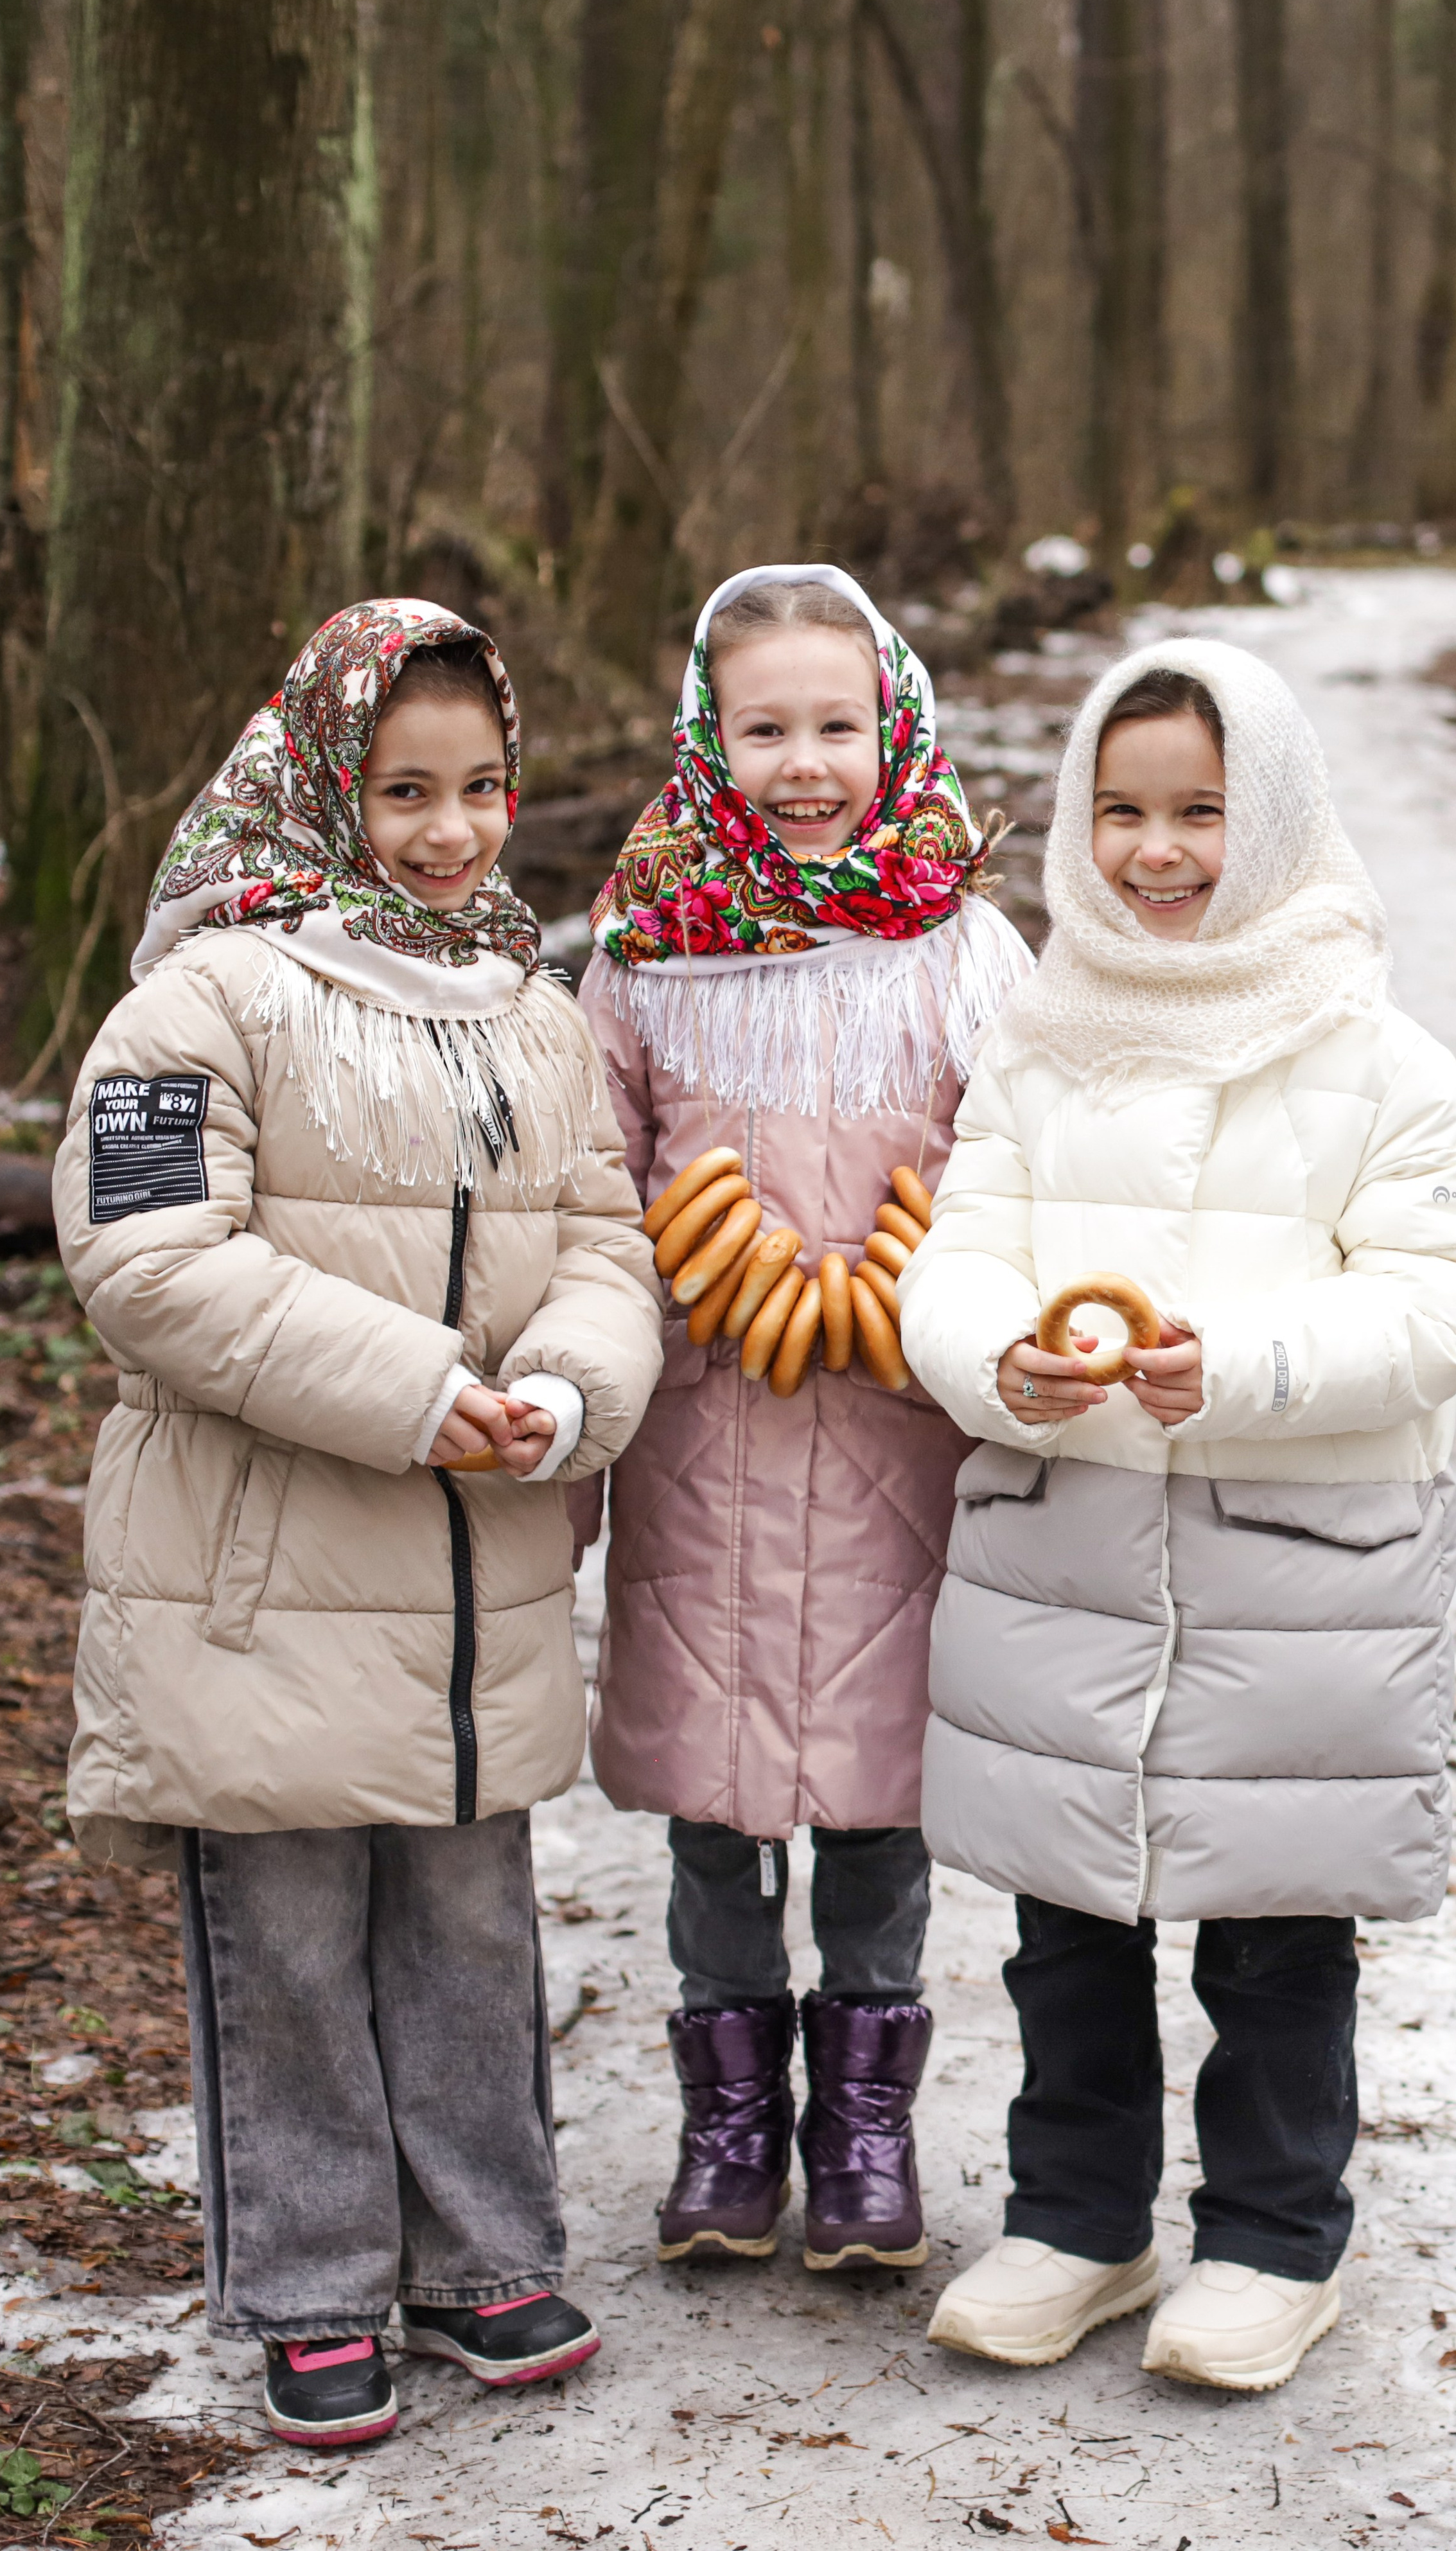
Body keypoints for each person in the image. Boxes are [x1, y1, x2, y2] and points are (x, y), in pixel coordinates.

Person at [52, 601, 663, 2448]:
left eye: (482, 787)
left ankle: (485, 2244)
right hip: (263, 1577)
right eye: (405, 788)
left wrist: (564, 1389)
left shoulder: (532, 1017)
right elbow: (148, 1258)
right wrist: (412, 1388)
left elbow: (610, 1247)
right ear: (324, 780)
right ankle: (315, 2275)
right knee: (292, 1933)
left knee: (472, 1920)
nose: (450, 828)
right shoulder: (205, 994)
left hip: (474, 1575)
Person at [899, 639, 1456, 2392]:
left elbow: (1440, 1301)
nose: (1158, 851)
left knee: (1277, 1927)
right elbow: (960, 1260)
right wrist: (996, 1362)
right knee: (1065, 1924)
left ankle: (1270, 2233)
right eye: (1123, 812)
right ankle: (1079, 2215)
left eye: (1201, 813)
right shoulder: (1040, 1037)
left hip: (1292, 1576)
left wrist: (1231, 1363)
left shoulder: (1374, 1054)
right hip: (1071, 1554)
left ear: (1278, 823)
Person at [574, 563, 1033, 2273]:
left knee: (878, 1810)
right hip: (707, 1443)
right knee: (715, 1813)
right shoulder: (640, 958)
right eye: (764, 726)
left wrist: (951, 1308)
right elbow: (591, 1193)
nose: (804, 761)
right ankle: (726, 2122)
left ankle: (861, 2129)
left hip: (907, 1446)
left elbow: (1020, 1178)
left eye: (836, 724)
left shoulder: (968, 953)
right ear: (709, 740)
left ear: (896, 727)